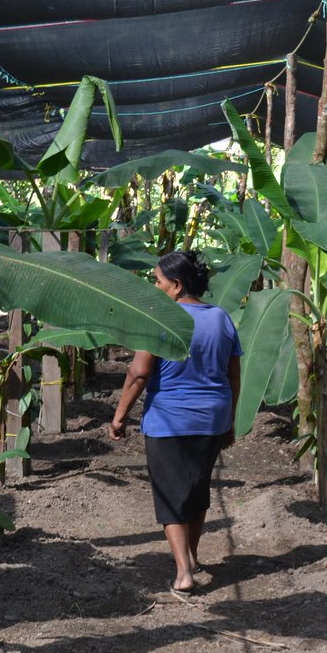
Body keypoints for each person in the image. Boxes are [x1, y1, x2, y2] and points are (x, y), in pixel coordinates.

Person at [109, 250, 242, 598]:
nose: (154, 287)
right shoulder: (221, 318)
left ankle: (183, 572)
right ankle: (192, 558)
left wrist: (120, 416)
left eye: (158, 281)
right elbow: (233, 373)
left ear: (177, 286)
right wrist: (230, 418)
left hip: (170, 419)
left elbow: (139, 373)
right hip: (212, 417)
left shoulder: (159, 318)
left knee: (170, 496)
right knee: (196, 491)